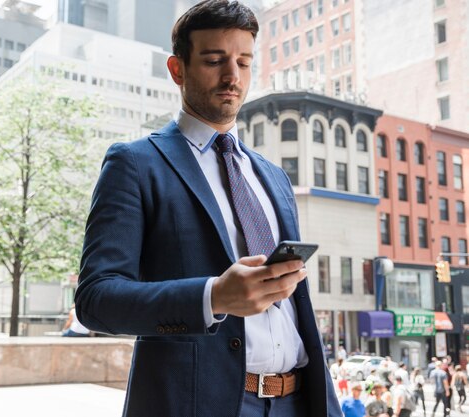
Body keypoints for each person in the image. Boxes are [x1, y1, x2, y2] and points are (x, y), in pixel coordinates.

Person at [75, 1, 342, 416]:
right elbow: (96, 299)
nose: (232, 76)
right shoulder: (135, 163)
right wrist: (213, 296)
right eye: (215, 60)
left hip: (299, 400)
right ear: (177, 69)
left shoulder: (273, 177)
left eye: (244, 62)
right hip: (201, 403)